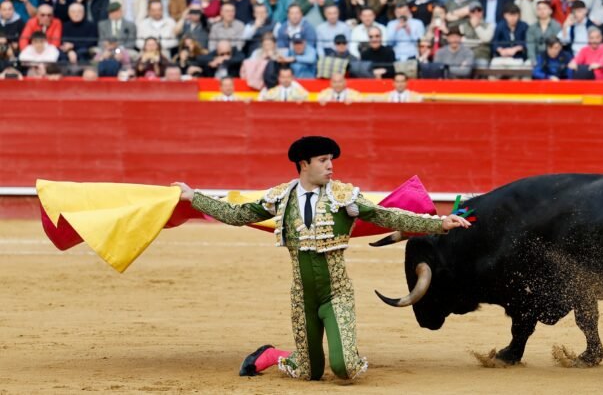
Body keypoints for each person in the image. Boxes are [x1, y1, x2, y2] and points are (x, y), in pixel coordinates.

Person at [174, 136, 468, 381]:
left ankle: (342, 349)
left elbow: (387, 215)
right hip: (302, 296)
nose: (331, 166)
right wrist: (193, 197)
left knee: (344, 368)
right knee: (308, 372)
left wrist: (438, 223)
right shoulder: (281, 197)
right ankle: (271, 355)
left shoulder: (345, 197)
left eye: (331, 160)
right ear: (304, 164)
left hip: (335, 295)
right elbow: (237, 214)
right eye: (323, 160)